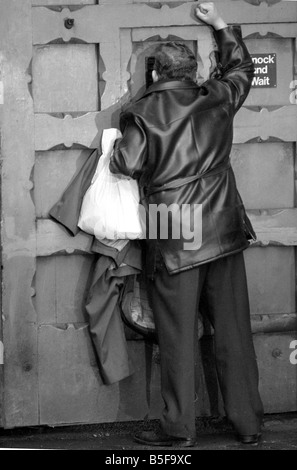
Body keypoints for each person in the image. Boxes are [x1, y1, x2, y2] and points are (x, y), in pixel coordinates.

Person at [109, 2, 264, 447]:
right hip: (222, 225)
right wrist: (219, 25)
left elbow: (126, 163)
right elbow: (240, 68)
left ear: (155, 73)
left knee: (176, 334)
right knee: (233, 331)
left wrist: (121, 135)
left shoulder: (144, 112)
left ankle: (178, 430)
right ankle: (249, 425)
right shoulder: (217, 97)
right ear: (192, 70)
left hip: (173, 224)